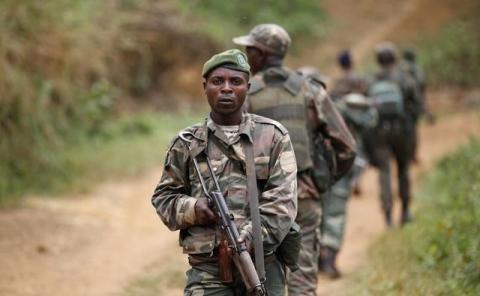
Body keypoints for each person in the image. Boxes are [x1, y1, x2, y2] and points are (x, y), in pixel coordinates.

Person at [151, 49, 297, 295]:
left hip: (263, 262)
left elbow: (283, 202)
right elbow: (164, 199)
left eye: (235, 82)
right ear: (205, 86)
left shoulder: (273, 136)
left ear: (247, 87)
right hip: (208, 270)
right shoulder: (186, 142)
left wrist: (249, 237)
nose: (227, 88)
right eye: (218, 81)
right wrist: (194, 208)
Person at [233, 24, 356, 295]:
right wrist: (320, 183)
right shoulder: (310, 91)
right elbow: (346, 147)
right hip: (304, 196)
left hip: (258, 202)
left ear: (262, 54)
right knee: (302, 279)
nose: (246, 54)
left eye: (250, 50)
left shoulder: (245, 94)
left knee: (261, 279)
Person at [299, 52, 377, 279]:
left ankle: (313, 263)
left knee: (311, 216)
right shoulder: (334, 106)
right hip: (334, 170)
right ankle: (329, 261)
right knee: (334, 214)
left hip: (305, 174)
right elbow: (357, 134)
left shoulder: (289, 112)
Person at [364, 42, 421, 227]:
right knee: (403, 170)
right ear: (394, 58)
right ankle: (405, 212)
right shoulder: (405, 78)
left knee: (384, 172)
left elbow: (366, 107)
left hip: (380, 133)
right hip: (402, 131)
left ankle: (388, 217)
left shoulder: (372, 80)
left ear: (378, 60)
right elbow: (416, 104)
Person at [401, 48, 432, 163]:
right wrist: (426, 109)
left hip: (400, 106)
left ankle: (403, 154)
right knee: (412, 131)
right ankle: (412, 155)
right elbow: (421, 88)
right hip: (412, 105)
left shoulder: (399, 68)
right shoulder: (416, 69)